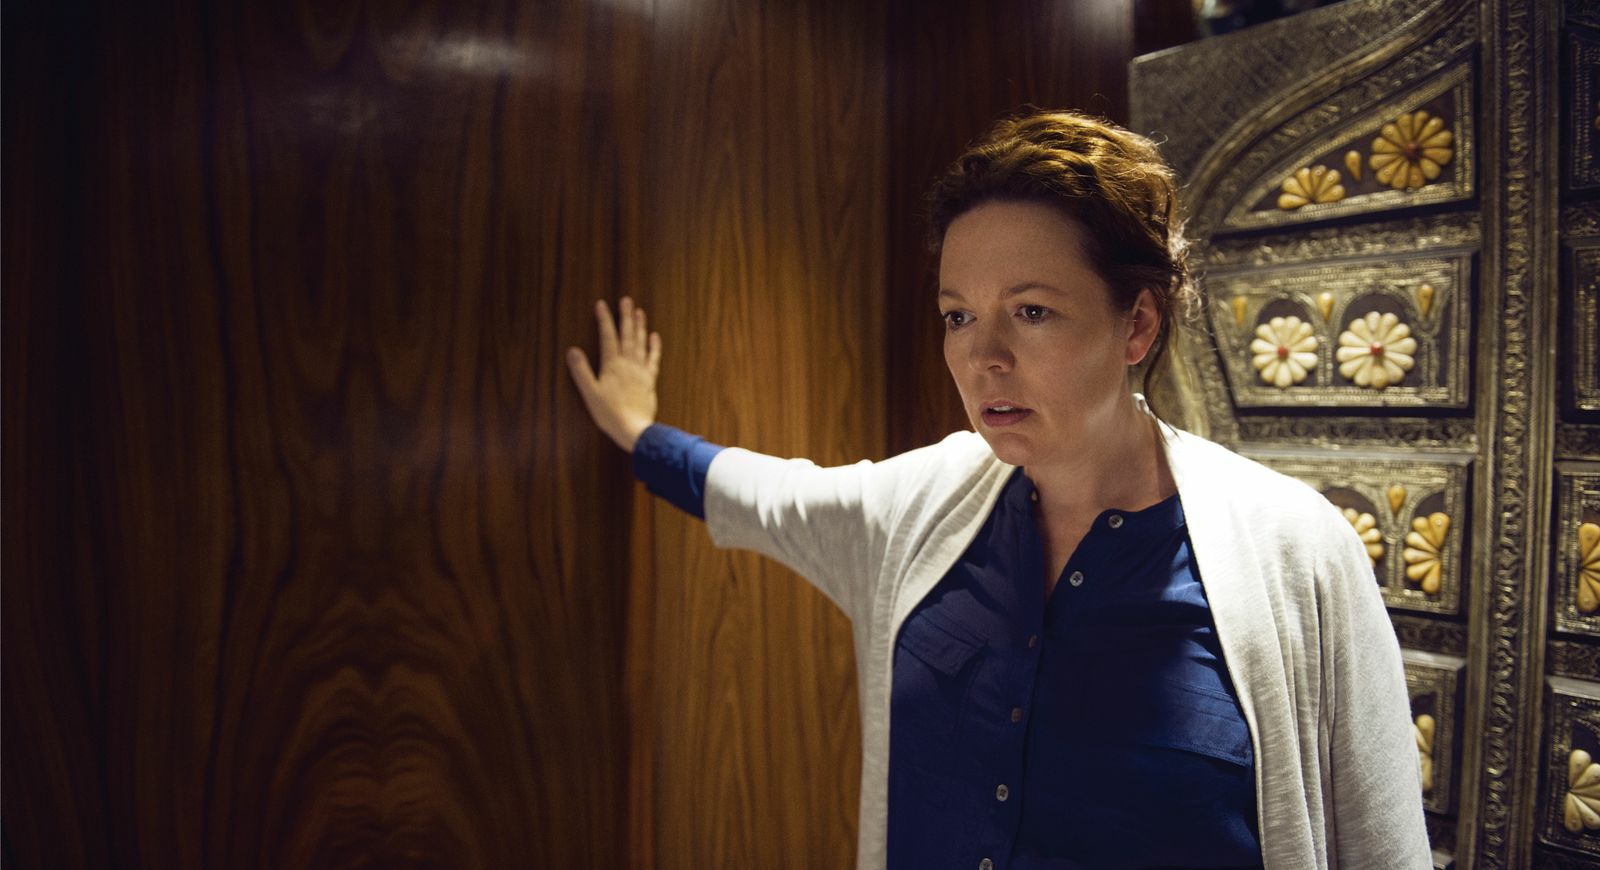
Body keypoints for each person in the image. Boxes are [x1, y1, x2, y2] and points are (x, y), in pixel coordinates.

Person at [565, 110, 1431, 870]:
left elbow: (1380, 842)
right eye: (959, 315)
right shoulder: (922, 506)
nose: (984, 358)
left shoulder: (1296, 553)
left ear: (1136, 323)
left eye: (1031, 311)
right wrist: (641, 434)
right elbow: (768, 497)